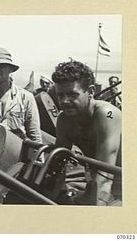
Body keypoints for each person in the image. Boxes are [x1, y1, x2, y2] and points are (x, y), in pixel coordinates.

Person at [51, 59, 122, 206]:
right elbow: (58, 164)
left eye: (72, 95)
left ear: (90, 92)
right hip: (96, 182)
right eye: (60, 95)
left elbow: (105, 175)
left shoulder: (107, 114)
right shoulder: (64, 119)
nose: (64, 101)